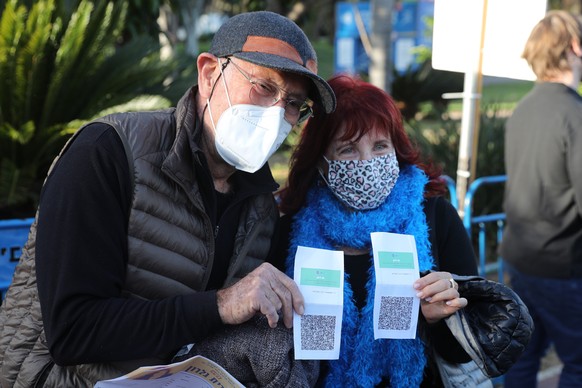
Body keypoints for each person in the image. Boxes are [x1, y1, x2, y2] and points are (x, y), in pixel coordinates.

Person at [0, 11, 336, 387]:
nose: (278, 114)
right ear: (209, 74)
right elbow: (72, 331)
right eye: (263, 87)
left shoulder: (260, 206)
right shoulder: (108, 154)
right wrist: (222, 305)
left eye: (293, 104)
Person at [273, 74, 482, 387]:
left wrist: (442, 318)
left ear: (396, 150)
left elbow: (467, 349)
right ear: (321, 162)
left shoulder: (435, 218)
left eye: (380, 146)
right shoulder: (290, 230)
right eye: (347, 150)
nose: (367, 162)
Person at [500, 10, 582, 387]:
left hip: (520, 261)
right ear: (574, 47)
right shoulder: (574, 114)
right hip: (562, 266)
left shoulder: (522, 110)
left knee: (523, 360)